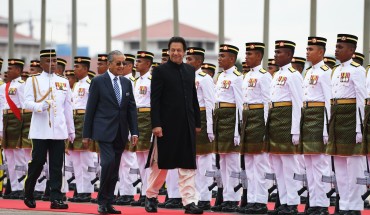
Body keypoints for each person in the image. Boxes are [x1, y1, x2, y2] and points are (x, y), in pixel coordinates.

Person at [144, 36, 203, 214]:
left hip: (186, 124)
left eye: (179, 50)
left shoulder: (189, 70)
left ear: (184, 52)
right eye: (173, 50)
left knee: (187, 164)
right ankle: (151, 196)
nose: (176, 53)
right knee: (161, 165)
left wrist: (197, 122)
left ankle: (189, 202)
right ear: (169, 51)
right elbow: (155, 100)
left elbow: (193, 98)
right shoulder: (160, 71)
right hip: (166, 126)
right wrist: (156, 124)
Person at [83, 50, 139, 215]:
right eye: (118, 63)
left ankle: (108, 202)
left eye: (123, 63)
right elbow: (90, 109)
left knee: (114, 169)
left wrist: (134, 131)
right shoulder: (98, 81)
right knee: (107, 164)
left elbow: (131, 109)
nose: (122, 66)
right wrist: (86, 134)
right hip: (104, 131)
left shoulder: (127, 83)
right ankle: (102, 200)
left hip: (121, 132)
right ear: (109, 64)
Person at [23, 49, 75, 209]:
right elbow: (26, 103)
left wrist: (71, 130)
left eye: (54, 61)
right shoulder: (33, 80)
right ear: (41, 63)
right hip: (40, 129)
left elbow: (68, 108)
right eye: (48, 61)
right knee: (38, 162)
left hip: (58, 130)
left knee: (56, 165)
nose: (52, 64)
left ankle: (56, 197)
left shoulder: (63, 81)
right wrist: (40, 106)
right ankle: (29, 191)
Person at [327, 34, 366, 215]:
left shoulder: (357, 70)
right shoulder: (334, 70)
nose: (336, 49)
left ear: (351, 51)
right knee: (340, 165)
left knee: (354, 165)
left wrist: (360, 127)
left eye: (341, 47)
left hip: (351, 118)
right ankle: (344, 204)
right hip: (336, 118)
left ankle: (355, 205)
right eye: (336, 46)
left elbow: (361, 100)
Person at [267, 40, 303, 215]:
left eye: (279, 52)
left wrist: (296, 129)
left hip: (287, 121)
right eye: (275, 52)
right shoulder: (277, 75)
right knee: (277, 166)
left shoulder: (294, 75)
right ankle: (283, 201)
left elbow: (298, 103)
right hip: (275, 121)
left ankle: (292, 202)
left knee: (289, 166)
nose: (275, 55)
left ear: (289, 55)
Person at [240, 42, 272, 214]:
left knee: (259, 164)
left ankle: (260, 200)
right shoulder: (247, 76)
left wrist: (266, 127)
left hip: (259, 118)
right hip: (247, 118)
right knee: (250, 164)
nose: (246, 57)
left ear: (259, 56)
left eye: (250, 54)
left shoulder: (264, 76)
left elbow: (268, 102)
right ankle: (252, 199)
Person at [301, 36, 332, 215]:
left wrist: (327, 127)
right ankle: (313, 201)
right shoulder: (309, 72)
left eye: (311, 49)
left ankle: (321, 203)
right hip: (307, 116)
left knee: (319, 164)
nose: (307, 52)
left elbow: (329, 101)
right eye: (307, 49)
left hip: (319, 117)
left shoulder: (326, 72)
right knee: (309, 164)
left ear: (321, 52)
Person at [212, 44, 243, 213]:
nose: (219, 59)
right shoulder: (221, 77)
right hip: (220, 121)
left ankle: (233, 198)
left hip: (231, 121)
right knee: (222, 161)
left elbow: (240, 105)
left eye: (223, 56)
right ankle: (226, 195)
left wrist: (238, 130)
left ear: (232, 59)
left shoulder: (237, 77)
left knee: (231, 162)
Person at [186, 47, 215, 210]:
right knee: (191, 161)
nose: (187, 62)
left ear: (199, 62)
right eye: (187, 59)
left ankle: (204, 196)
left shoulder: (204, 79)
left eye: (190, 59)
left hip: (202, 118)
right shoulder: (185, 77)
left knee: (203, 161)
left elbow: (210, 104)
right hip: (189, 119)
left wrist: (210, 128)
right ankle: (193, 196)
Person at [67, 56, 95, 203]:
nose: (75, 69)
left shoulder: (91, 84)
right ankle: (79, 189)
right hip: (74, 119)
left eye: (78, 67)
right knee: (76, 160)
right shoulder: (76, 85)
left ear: (85, 68)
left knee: (85, 159)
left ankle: (87, 191)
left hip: (84, 120)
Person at [130, 51, 154, 207]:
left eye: (139, 61)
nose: (136, 64)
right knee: (139, 158)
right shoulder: (136, 81)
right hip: (136, 119)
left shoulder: (153, 80)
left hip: (148, 118)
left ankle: (148, 193)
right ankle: (143, 191)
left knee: (148, 160)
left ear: (148, 64)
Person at [0, 59, 26, 200]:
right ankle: (14, 187)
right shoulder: (4, 86)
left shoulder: (23, 85)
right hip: (6, 120)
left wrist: (24, 126)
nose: (8, 70)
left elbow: (23, 106)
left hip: (17, 121)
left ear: (18, 70)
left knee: (19, 156)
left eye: (11, 68)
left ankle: (21, 187)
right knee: (9, 156)